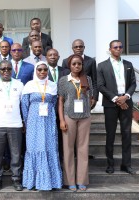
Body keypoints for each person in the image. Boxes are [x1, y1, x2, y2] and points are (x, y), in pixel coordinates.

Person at [97, 40, 137, 175]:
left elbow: (133, 84)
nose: (118, 49)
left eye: (120, 47)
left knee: (126, 134)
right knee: (110, 135)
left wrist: (125, 97)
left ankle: (126, 164)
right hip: (110, 104)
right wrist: (116, 99)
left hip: (126, 102)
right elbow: (100, 86)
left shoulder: (128, 65)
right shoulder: (102, 66)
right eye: (115, 47)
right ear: (110, 49)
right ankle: (110, 164)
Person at [21, 61, 62, 191]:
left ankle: (52, 181)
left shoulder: (52, 86)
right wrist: (26, 122)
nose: (42, 72)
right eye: (39, 70)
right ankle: (33, 181)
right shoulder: (29, 85)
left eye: (45, 70)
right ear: (35, 71)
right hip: (33, 123)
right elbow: (24, 105)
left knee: (50, 148)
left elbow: (55, 103)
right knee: (34, 148)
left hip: (49, 121)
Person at [58, 54, 93, 191]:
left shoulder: (87, 79)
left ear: (82, 65)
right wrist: (61, 119)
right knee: (68, 149)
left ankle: (81, 180)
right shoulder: (63, 80)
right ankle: (70, 180)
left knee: (83, 149)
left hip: (84, 117)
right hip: (69, 117)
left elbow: (90, 97)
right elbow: (60, 101)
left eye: (79, 64)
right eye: (74, 64)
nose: (77, 66)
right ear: (69, 65)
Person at [0, 60, 24, 191]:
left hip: (15, 125)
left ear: (12, 70)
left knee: (16, 154)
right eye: (3, 69)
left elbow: (23, 106)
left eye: (9, 69)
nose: (6, 71)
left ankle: (16, 179)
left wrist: (24, 121)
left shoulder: (19, 84)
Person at [62, 39, 98, 108]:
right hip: (71, 95)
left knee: (84, 117)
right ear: (72, 48)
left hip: (86, 95)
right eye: (76, 47)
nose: (78, 48)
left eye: (80, 46)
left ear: (84, 48)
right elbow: (64, 81)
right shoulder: (66, 61)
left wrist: (95, 98)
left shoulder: (91, 61)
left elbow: (95, 81)